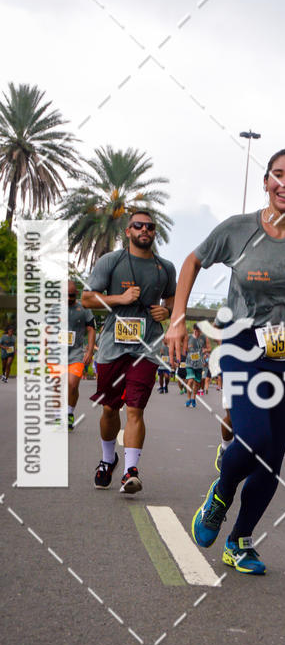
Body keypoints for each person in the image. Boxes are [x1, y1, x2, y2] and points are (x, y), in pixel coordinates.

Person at [167, 148, 285, 574]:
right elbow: (193, 261)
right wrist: (177, 318)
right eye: (278, 174)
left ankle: (240, 541)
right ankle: (221, 492)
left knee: (272, 456)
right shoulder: (238, 229)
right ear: (267, 181)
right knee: (253, 439)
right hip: (242, 344)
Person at [81, 209, 176, 494]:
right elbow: (87, 299)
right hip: (112, 347)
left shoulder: (165, 268)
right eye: (138, 225)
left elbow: (172, 299)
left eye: (150, 226)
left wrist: (167, 311)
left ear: (154, 232)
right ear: (128, 231)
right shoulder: (111, 261)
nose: (144, 230)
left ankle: (130, 471)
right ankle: (108, 459)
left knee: (136, 408)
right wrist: (119, 298)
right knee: (110, 409)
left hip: (147, 347)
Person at [65, 281, 96, 429]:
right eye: (66, 295)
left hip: (76, 353)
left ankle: (69, 413)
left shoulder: (84, 309)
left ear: (76, 294)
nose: (68, 298)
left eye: (71, 295)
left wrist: (89, 351)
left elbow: (91, 329)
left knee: (72, 385)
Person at [185, 323, 209, 407]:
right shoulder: (188, 337)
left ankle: (193, 398)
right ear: (193, 330)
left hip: (199, 363)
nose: (197, 333)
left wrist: (205, 351)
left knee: (197, 383)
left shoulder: (204, 338)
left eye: (199, 331)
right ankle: (188, 398)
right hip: (189, 362)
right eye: (195, 331)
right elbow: (183, 347)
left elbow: (209, 348)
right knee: (190, 380)